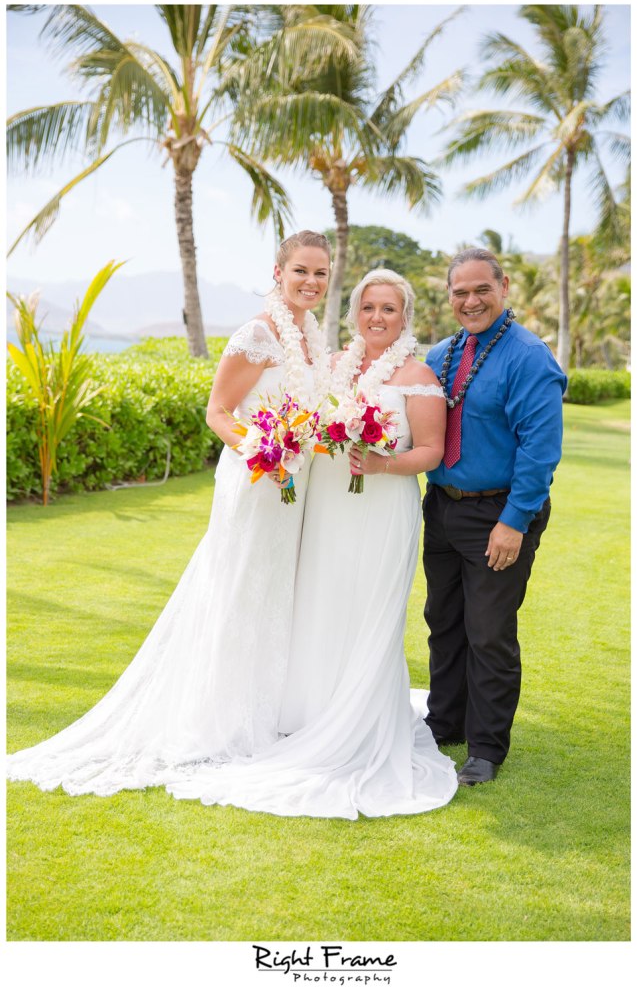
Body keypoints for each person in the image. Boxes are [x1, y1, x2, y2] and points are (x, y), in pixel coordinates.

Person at [7, 230, 332, 796]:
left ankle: (273, 706)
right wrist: (263, 450)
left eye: (321, 273)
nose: (311, 281)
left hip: (294, 485)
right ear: (277, 272)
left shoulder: (311, 338)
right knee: (239, 589)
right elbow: (218, 411)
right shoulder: (257, 334)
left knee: (279, 591)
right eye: (300, 270)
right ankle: (223, 719)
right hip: (256, 480)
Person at [165, 269, 458, 818]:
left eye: (389, 309)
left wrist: (381, 462)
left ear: (405, 316)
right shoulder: (337, 369)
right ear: (355, 314)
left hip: (381, 508)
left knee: (368, 610)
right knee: (319, 605)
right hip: (324, 507)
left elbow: (434, 451)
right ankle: (309, 713)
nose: (377, 317)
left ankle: (359, 720)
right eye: (368, 307)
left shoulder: (417, 375)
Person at [423, 248, 567, 786]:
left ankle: (485, 748)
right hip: (441, 509)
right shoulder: (442, 354)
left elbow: (540, 448)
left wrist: (514, 520)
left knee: (489, 634)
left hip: (499, 514)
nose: (471, 300)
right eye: (460, 292)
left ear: (503, 288)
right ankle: (445, 723)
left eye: (482, 289)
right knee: (445, 623)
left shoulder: (529, 356)